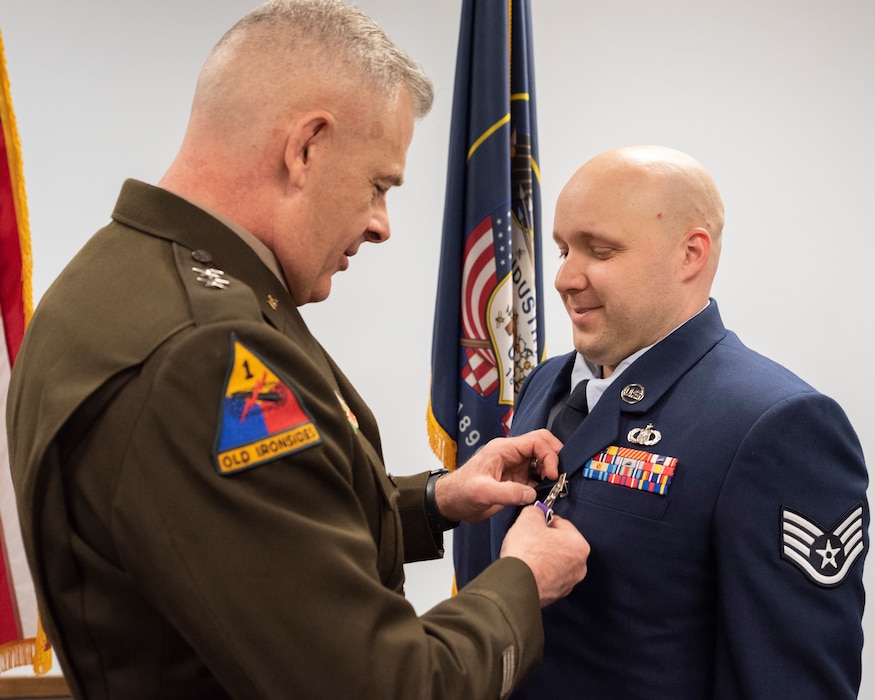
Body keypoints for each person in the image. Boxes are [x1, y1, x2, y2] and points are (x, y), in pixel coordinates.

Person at [5, 2, 590, 698]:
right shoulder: (204, 353)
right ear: (305, 147)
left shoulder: (117, 275)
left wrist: (434, 500)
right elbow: (386, 687)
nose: (381, 226)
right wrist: (519, 579)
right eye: (378, 185)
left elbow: (231, 542)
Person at [483, 145, 869, 698]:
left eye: (601, 250)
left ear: (690, 254)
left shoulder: (775, 422)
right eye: (564, 248)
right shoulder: (547, 382)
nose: (565, 277)